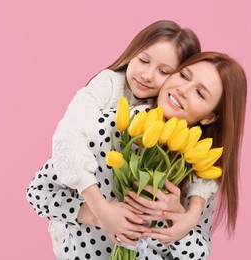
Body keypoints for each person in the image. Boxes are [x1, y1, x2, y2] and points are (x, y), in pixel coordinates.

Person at [27, 52, 247, 259]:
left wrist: (178, 221)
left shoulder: (198, 169)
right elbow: (39, 192)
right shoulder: (109, 127)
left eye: (200, 93)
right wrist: (97, 215)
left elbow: (199, 254)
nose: (183, 89)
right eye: (183, 76)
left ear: (210, 117)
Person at [37, 20, 204, 256]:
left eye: (164, 72)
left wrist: (192, 212)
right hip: (79, 241)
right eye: (143, 60)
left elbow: (208, 176)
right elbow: (68, 136)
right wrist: (100, 211)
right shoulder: (108, 89)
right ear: (132, 53)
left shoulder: (173, 121)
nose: (147, 75)